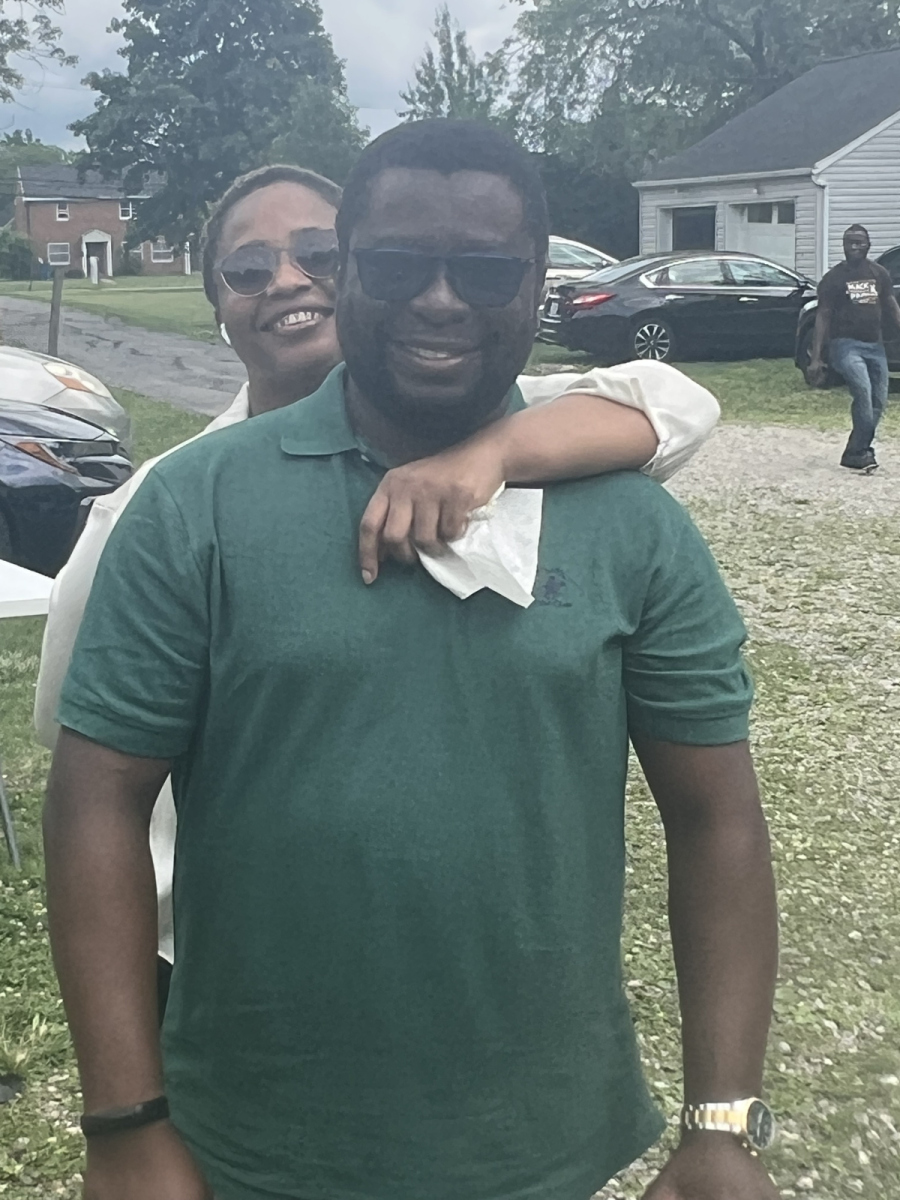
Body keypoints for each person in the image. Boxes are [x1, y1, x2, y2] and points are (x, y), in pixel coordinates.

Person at [44, 121, 779, 1200]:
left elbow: (718, 823)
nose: (440, 300)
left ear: (536, 285)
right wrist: (123, 1124)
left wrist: (721, 1123)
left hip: (537, 1144)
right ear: (347, 272)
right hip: (247, 1144)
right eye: (396, 264)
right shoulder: (194, 506)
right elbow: (96, 804)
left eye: (484, 270)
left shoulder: (633, 528)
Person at [809, 223, 900, 472]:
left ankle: (856, 451)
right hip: (845, 345)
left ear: (868, 245)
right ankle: (860, 452)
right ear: (843, 246)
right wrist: (816, 357)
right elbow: (823, 315)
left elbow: (891, 304)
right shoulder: (834, 278)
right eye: (849, 243)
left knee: (878, 400)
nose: (854, 247)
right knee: (863, 391)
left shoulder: (879, 273)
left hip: (875, 346)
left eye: (859, 242)